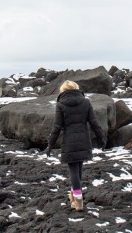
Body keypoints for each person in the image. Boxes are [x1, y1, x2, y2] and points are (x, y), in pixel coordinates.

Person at [45, 80, 105, 211]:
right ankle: (74, 195)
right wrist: (101, 138)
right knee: (78, 170)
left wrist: (50, 145)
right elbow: (94, 122)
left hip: (69, 142)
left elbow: (57, 127)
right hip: (84, 140)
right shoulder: (86, 102)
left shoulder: (60, 105)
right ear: (76, 89)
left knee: (73, 172)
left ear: (63, 91)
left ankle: (78, 202)